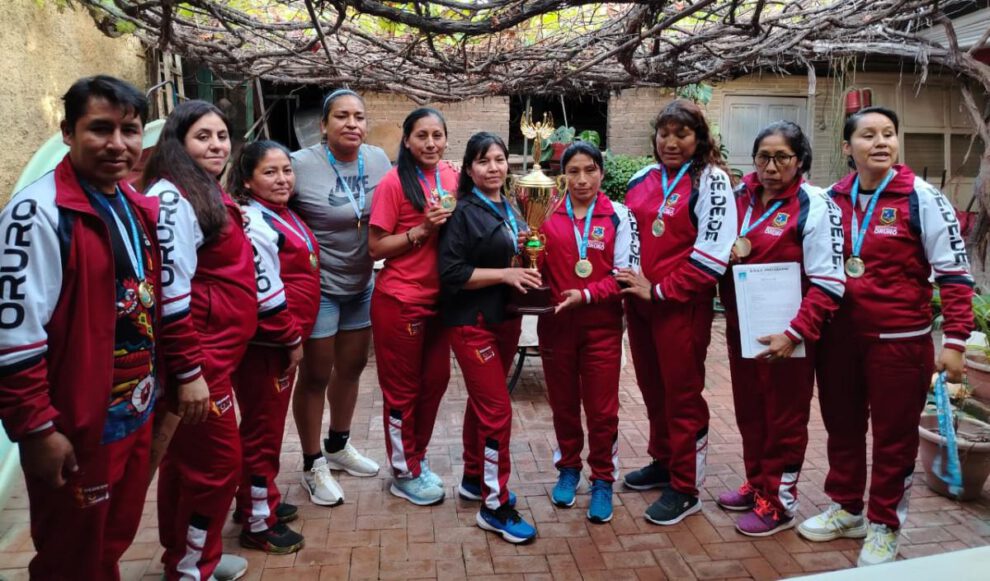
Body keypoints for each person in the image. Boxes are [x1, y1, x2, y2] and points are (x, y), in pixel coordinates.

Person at [796, 106, 973, 566]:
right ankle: (847, 508)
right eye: (869, 135)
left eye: (889, 134)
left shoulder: (922, 197)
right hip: (838, 339)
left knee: (894, 438)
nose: (881, 143)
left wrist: (954, 341)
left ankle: (884, 524)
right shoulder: (830, 198)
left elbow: (954, 274)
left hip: (900, 340)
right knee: (842, 429)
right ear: (847, 147)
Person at [0, 75, 159, 580]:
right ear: (67, 133)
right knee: (70, 555)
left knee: (109, 540)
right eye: (101, 129)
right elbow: (13, 332)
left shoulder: (128, 202)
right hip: (78, 424)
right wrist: (37, 429)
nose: (118, 145)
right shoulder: (36, 213)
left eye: (129, 130)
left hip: (131, 411)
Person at [144, 100, 297, 580]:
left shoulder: (205, 192)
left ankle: (189, 557)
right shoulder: (174, 198)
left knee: (186, 466)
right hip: (200, 363)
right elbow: (172, 292)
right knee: (217, 467)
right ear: (177, 142)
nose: (216, 145)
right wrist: (190, 373)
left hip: (216, 358)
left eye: (221, 136)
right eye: (202, 137)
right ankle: (192, 570)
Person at [715, 121, 845, 537]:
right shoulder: (737, 198)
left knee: (784, 417)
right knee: (750, 411)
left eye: (782, 157)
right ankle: (757, 485)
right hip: (744, 325)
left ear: (800, 160)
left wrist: (795, 333)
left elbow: (829, 280)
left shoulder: (815, 204)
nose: (771, 166)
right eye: (763, 157)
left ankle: (780, 502)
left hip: (790, 334)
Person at [615, 99, 737, 526]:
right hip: (642, 304)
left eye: (681, 134)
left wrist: (662, 290)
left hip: (680, 306)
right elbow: (627, 237)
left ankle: (686, 488)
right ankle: (663, 460)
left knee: (682, 395)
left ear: (698, 138)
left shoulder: (712, 181)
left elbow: (713, 255)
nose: (671, 142)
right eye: (664, 133)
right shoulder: (641, 179)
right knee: (653, 388)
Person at [438, 131, 539, 543]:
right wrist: (506, 274)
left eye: (499, 159)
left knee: (483, 405)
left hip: (505, 318)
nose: (493, 167)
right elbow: (450, 274)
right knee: (498, 411)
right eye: (483, 161)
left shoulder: (511, 204)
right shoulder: (461, 213)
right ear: (468, 168)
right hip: (471, 322)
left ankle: (474, 477)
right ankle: (494, 506)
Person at [291, 89, 390, 505]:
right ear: (323, 125)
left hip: (361, 283)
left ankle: (337, 445)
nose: (352, 124)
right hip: (320, 288)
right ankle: (313, 463)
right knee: (315, 375)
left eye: (359, 117)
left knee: (350, 369)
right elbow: (271, 201)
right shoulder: (300, 165)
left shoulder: (380, 159)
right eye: (342, 117)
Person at [537, 141, 636, 524]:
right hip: (556, 326)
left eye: (589, 170)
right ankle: (568, 469)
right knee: (563, 406)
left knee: (601, 410)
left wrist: (588, 294)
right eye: (573, 171)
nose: (581, 179)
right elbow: (537, 266)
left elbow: (624, 275)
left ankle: (603, 480)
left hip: (602, 328)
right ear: (563, 175)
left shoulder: (619, 216)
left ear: (601, 172)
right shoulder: (545, 213)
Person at [228, 141, 317, 553]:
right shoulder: (252, 221)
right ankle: (257, 522)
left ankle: (258, 500)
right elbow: (264, 289)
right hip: (269, 343)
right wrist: (290, 338)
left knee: (266, 427)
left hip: (283, 337)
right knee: (263, 431)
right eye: (270, 172)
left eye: (286, 170)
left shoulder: (279, 213)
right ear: (247, 180)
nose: (282, 179)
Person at [368, 108, 456, 505]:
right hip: (401, 301)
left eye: (437, 135)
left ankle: (415, 459)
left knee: (435, 383)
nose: (430, 143)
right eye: (422, 135)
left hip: (442, 301)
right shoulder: (393, 183)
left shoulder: (453, 175)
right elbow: (376, 247)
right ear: (407, 140)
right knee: (402, 392)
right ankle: (404, 472)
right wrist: (421, 231)